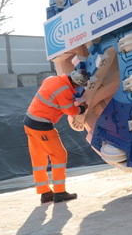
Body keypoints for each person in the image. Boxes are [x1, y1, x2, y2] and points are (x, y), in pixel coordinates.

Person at [23, 69, 89, 204]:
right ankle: (59, 192)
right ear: (77, 84)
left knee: (39, 158)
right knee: (59, 155)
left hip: (29, 122)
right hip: (42, 126)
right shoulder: (65, 91)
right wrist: (82, 109)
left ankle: (45, 193)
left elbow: (53, 97)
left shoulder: (52, 79)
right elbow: (70, 111)